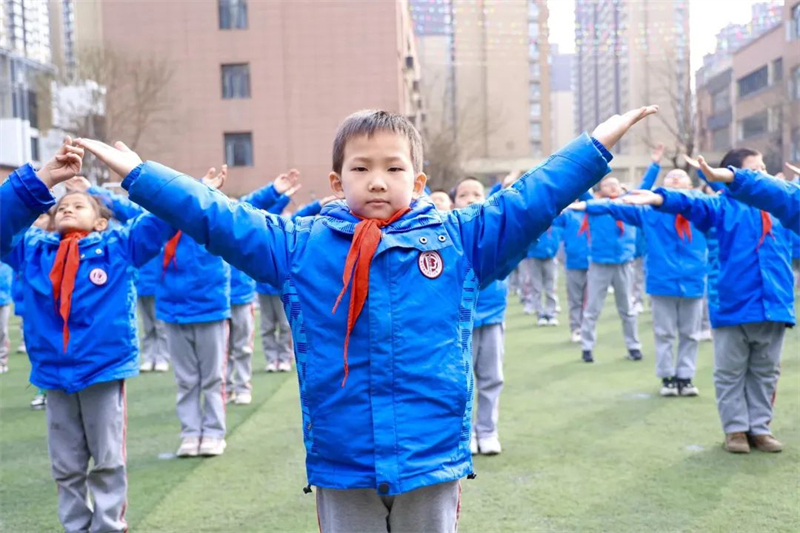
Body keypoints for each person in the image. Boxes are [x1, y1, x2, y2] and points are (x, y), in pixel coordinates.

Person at [77, 105, 657, 530]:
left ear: (418, 180)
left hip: (430, 457)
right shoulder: (299, 244)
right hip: (342, 456)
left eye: (394, 168)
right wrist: (140, 173)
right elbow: (215, 217)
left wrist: (595, 146)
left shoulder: (459, 239)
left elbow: (534, 196)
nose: (377, 179)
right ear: (337, 181)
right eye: (361, 168)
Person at [1, 138, 175, 532]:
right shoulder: (31, 250)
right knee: (65, 463)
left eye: (77, 205)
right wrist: (43, 180)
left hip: (103, 369)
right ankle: (75, 525)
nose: (67, 207)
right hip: (53, 374)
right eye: (61, 206)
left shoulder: (117, 245)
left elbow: (162, 220)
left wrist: (136, 174)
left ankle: (109, 525)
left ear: (99, 220)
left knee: (108, 458)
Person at [624, 148, 794, 454]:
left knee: (766, 372)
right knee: (730, 372)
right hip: (733, 303)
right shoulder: (721, 206)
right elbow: (690, 201)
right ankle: (735, 429)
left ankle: (760, 428)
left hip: (774, 304)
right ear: (734, 176)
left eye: (764, 168)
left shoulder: (779, 211)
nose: (764, 174)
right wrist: (661, 197)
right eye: (755, 170)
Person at [572, 169, 707, 396]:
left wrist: (707, 171)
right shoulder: (650, 211)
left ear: (690, 185)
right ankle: (667, 378)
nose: (674, 179)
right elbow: (614, 207)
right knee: (664, 333)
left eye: (680, 176)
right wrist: (586, 206)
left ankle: (685, 377)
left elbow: (727, 198)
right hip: (661, 279)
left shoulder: (703, 210)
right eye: (670, 177)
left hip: (693, 279)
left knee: (690, 333)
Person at [451, 177, 508, 456]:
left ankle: (487, 431)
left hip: (493, 316)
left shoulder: (494, 230)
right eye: (464, 195)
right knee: (461, 380)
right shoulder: (449, 232)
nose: (471, 198)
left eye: (477, 193)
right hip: (460, 320)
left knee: (491, 378)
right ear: (454, 203)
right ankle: (465, 434)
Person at [573, 174, 642, 363]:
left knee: (627, 308)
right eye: (607, 185)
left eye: (615, 184)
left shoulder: (629, 204)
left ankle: (634, 346)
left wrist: (655, 166)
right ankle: (587, 348)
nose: (612, 187)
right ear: (600, 190)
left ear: (621, 187)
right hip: (599, 263)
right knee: (592, 308)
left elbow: (646, 187)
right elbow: (580, 185)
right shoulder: (595, 206)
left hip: (624, 263)